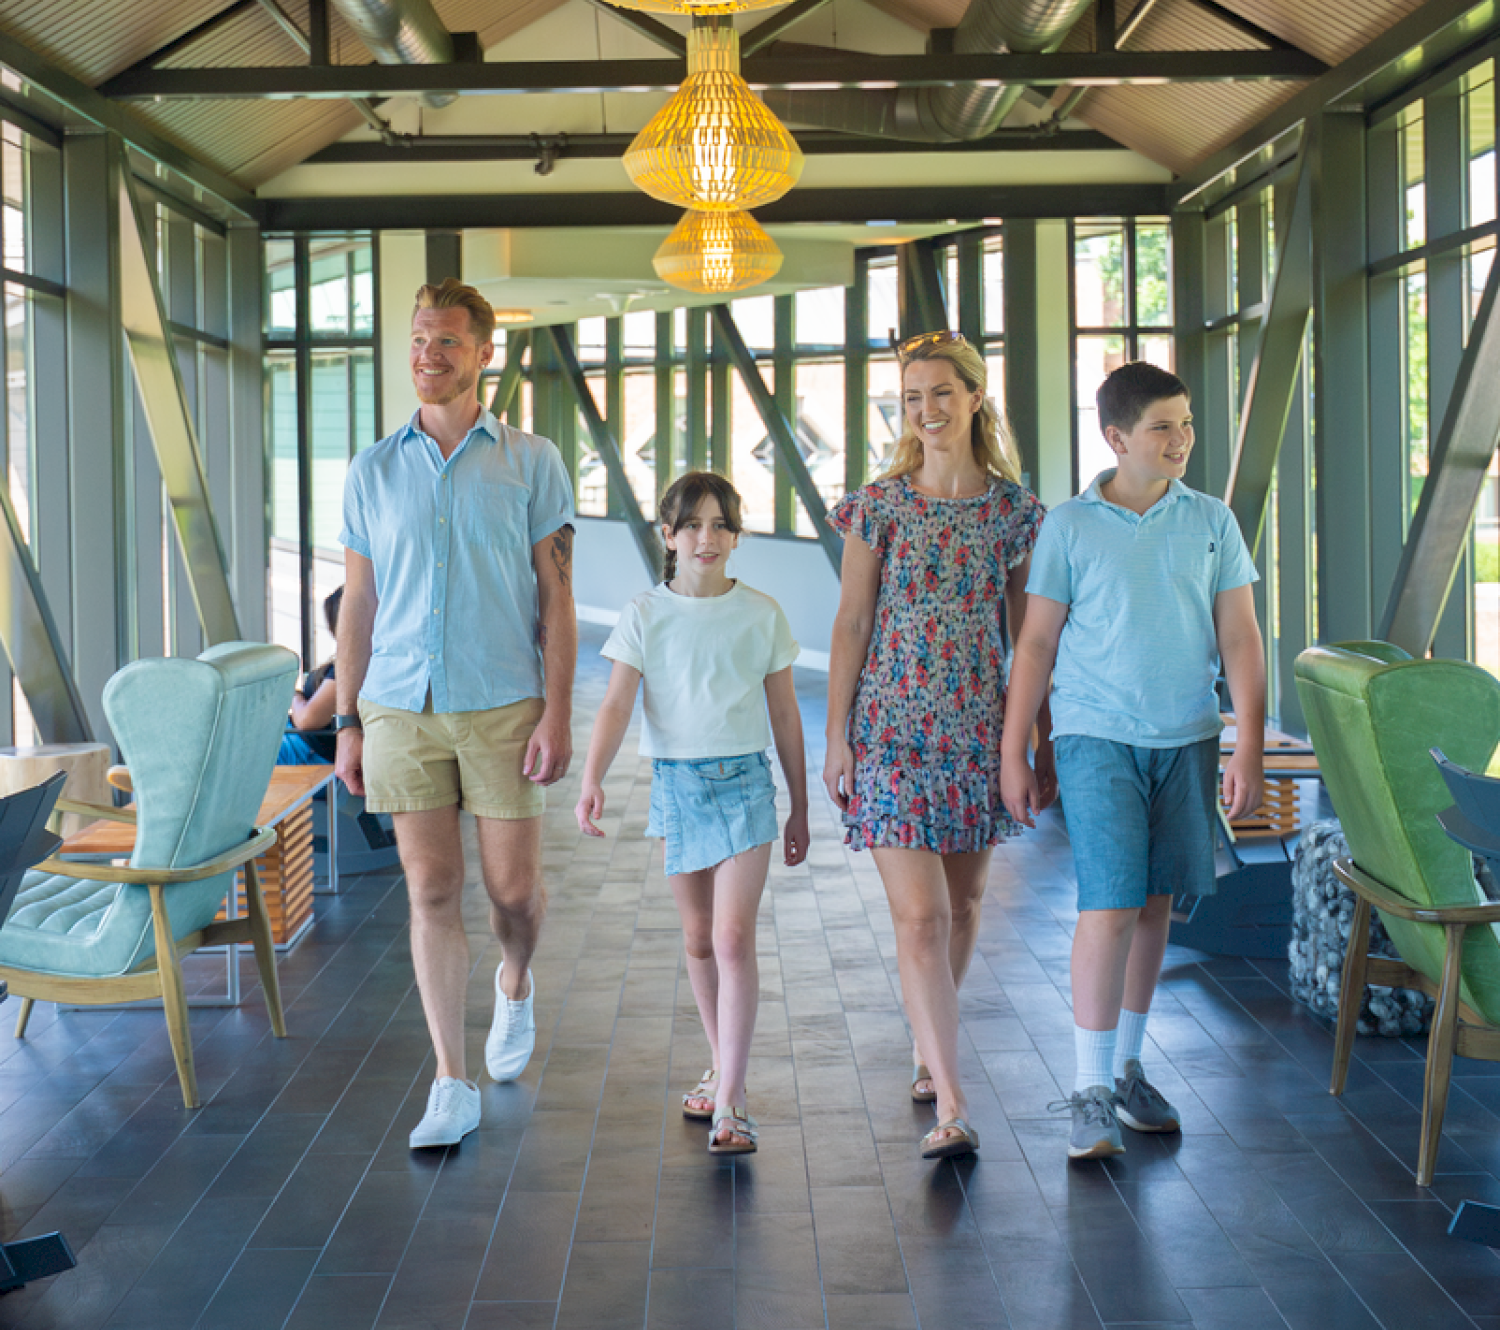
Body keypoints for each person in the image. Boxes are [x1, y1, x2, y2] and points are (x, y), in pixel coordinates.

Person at [999, 360, 1265, 1161]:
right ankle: (1088, 1091)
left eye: (1187, 424)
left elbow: (1241, 637)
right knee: (1110, 905)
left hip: (1188, 736)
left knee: (1154, 906)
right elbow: (1036, 643)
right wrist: (1017, 748)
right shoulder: (1069, 526)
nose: (1181, 440)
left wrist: (1249, 742)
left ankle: (1126, 1069)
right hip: (1095, 735)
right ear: (1116, 438)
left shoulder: (1212, 520)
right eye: (1162, 428)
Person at [334, 277, 577, 1151]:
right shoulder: (371, 469)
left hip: (503, 703)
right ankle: (449, 1079)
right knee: (432, 889)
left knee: (512, 893)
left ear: (482, 353)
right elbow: (357, 606)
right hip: (400, 706)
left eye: (445, 341)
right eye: (417, 339)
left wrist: (558, 712)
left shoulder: (532, 461)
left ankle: (516, 978)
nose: (427, 355)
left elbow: (557, 597)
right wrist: (348, 721)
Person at [823, 330, 1047, 1161]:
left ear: (976, 397)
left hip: (979, 731)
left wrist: (1032, 738)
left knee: (965, 906)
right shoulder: (877, 506)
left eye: (941, 393)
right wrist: (837, 736)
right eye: (912, 397)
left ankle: (930, 1039)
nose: (925, 411)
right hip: (890, 731)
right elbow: (851, 623)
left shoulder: (1015, 512)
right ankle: (952, 1099)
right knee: (921, 917)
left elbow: (1029, 633)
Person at [575, 471, 809, 1155]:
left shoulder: (761, 613)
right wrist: (591, 778)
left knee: (733, 938)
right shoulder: (644, 613)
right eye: (693, 525)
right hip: (676, 787)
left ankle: (731, 1099)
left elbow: (785, 714)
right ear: (669, 535)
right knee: (700, 938)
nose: (707, 538)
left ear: (736, 536)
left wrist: (799, 805)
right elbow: (616, 702)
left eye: (721, 525)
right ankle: (720, 1061)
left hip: (745, 784)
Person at [277, 586, 342, 765]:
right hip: (297, 742)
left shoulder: (347, 670)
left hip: (302, 749)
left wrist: (293, 695)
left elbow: (307, 720)